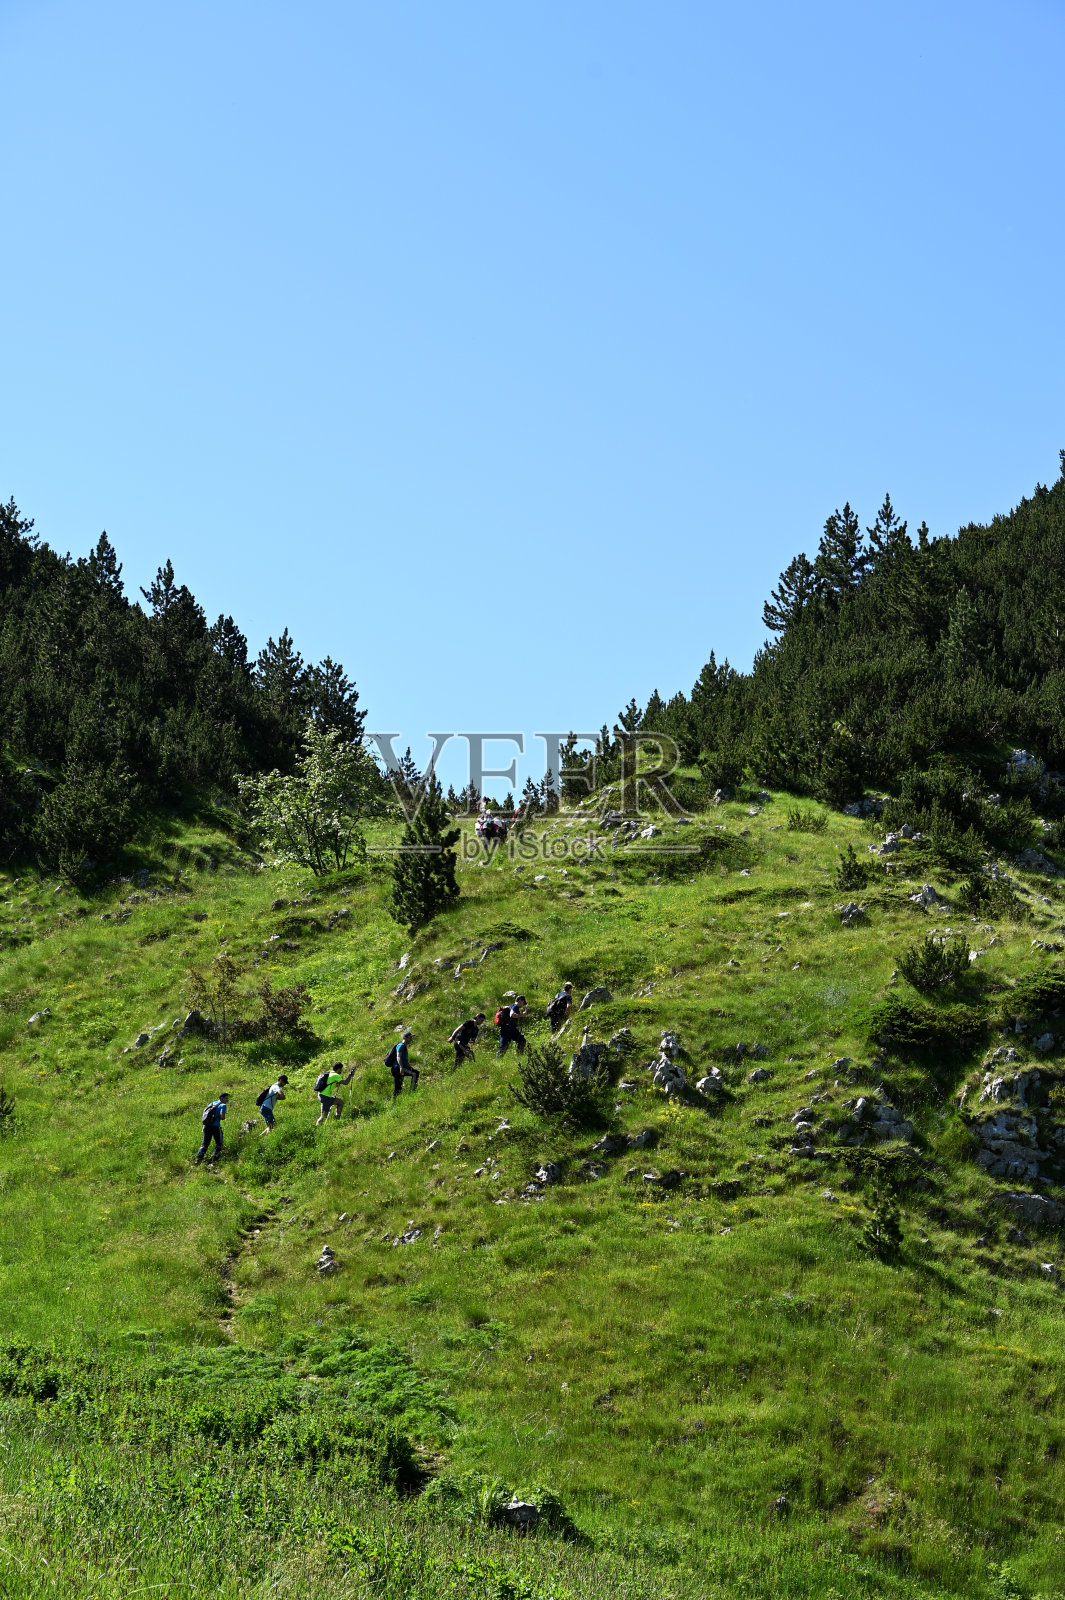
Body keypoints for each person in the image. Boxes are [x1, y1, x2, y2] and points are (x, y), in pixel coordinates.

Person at [195, 1092, 229, 1164]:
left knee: (205, 1144)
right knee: (219, 1144)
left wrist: (204, 1126)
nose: (227, 1100)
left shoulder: (212, 1103)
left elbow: (206, 1115)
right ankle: (214, 1161)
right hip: (215, 1127)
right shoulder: (223, 1105)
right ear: (221, 1098)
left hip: (207, 1126)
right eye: (226, 1098)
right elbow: (222, 1117)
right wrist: (221, 1116)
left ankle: (198, 1159)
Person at [388, 1030, 419, 1097]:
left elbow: (403, 1059)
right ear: (405, 1038)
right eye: (410, 1038)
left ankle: (394, 1102)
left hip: (396, 1068)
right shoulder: (401, 1046)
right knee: (415, 1073)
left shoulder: (403, 1046)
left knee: (398, 1088)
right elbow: (398, 1056)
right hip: (398, 1068)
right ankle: (412, 1093)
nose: (411, 1039)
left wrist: (409, 1066)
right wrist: (401, 1067)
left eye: (411, 1038)